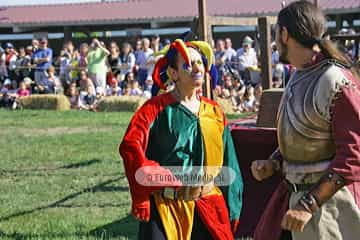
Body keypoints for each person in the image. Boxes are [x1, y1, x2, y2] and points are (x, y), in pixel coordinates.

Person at [252, 1, 360, 240]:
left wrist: (308, 204)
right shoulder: (299, 74)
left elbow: (353, 155)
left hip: (330, 209)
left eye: (277, 34)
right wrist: (275, 161)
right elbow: (308, 137)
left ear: (284, 33)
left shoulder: (335, 80)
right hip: (296, 202)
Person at [119, 39, 243, 240]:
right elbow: (130, 147)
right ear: (173, 73)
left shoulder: (215, 112)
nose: (197, 68)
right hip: (166, 208)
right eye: (188, 64)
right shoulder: (154, 109)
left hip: (208, 204)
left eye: (199, 63)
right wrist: (163, 178)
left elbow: (230, 164)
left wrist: (233, 209)